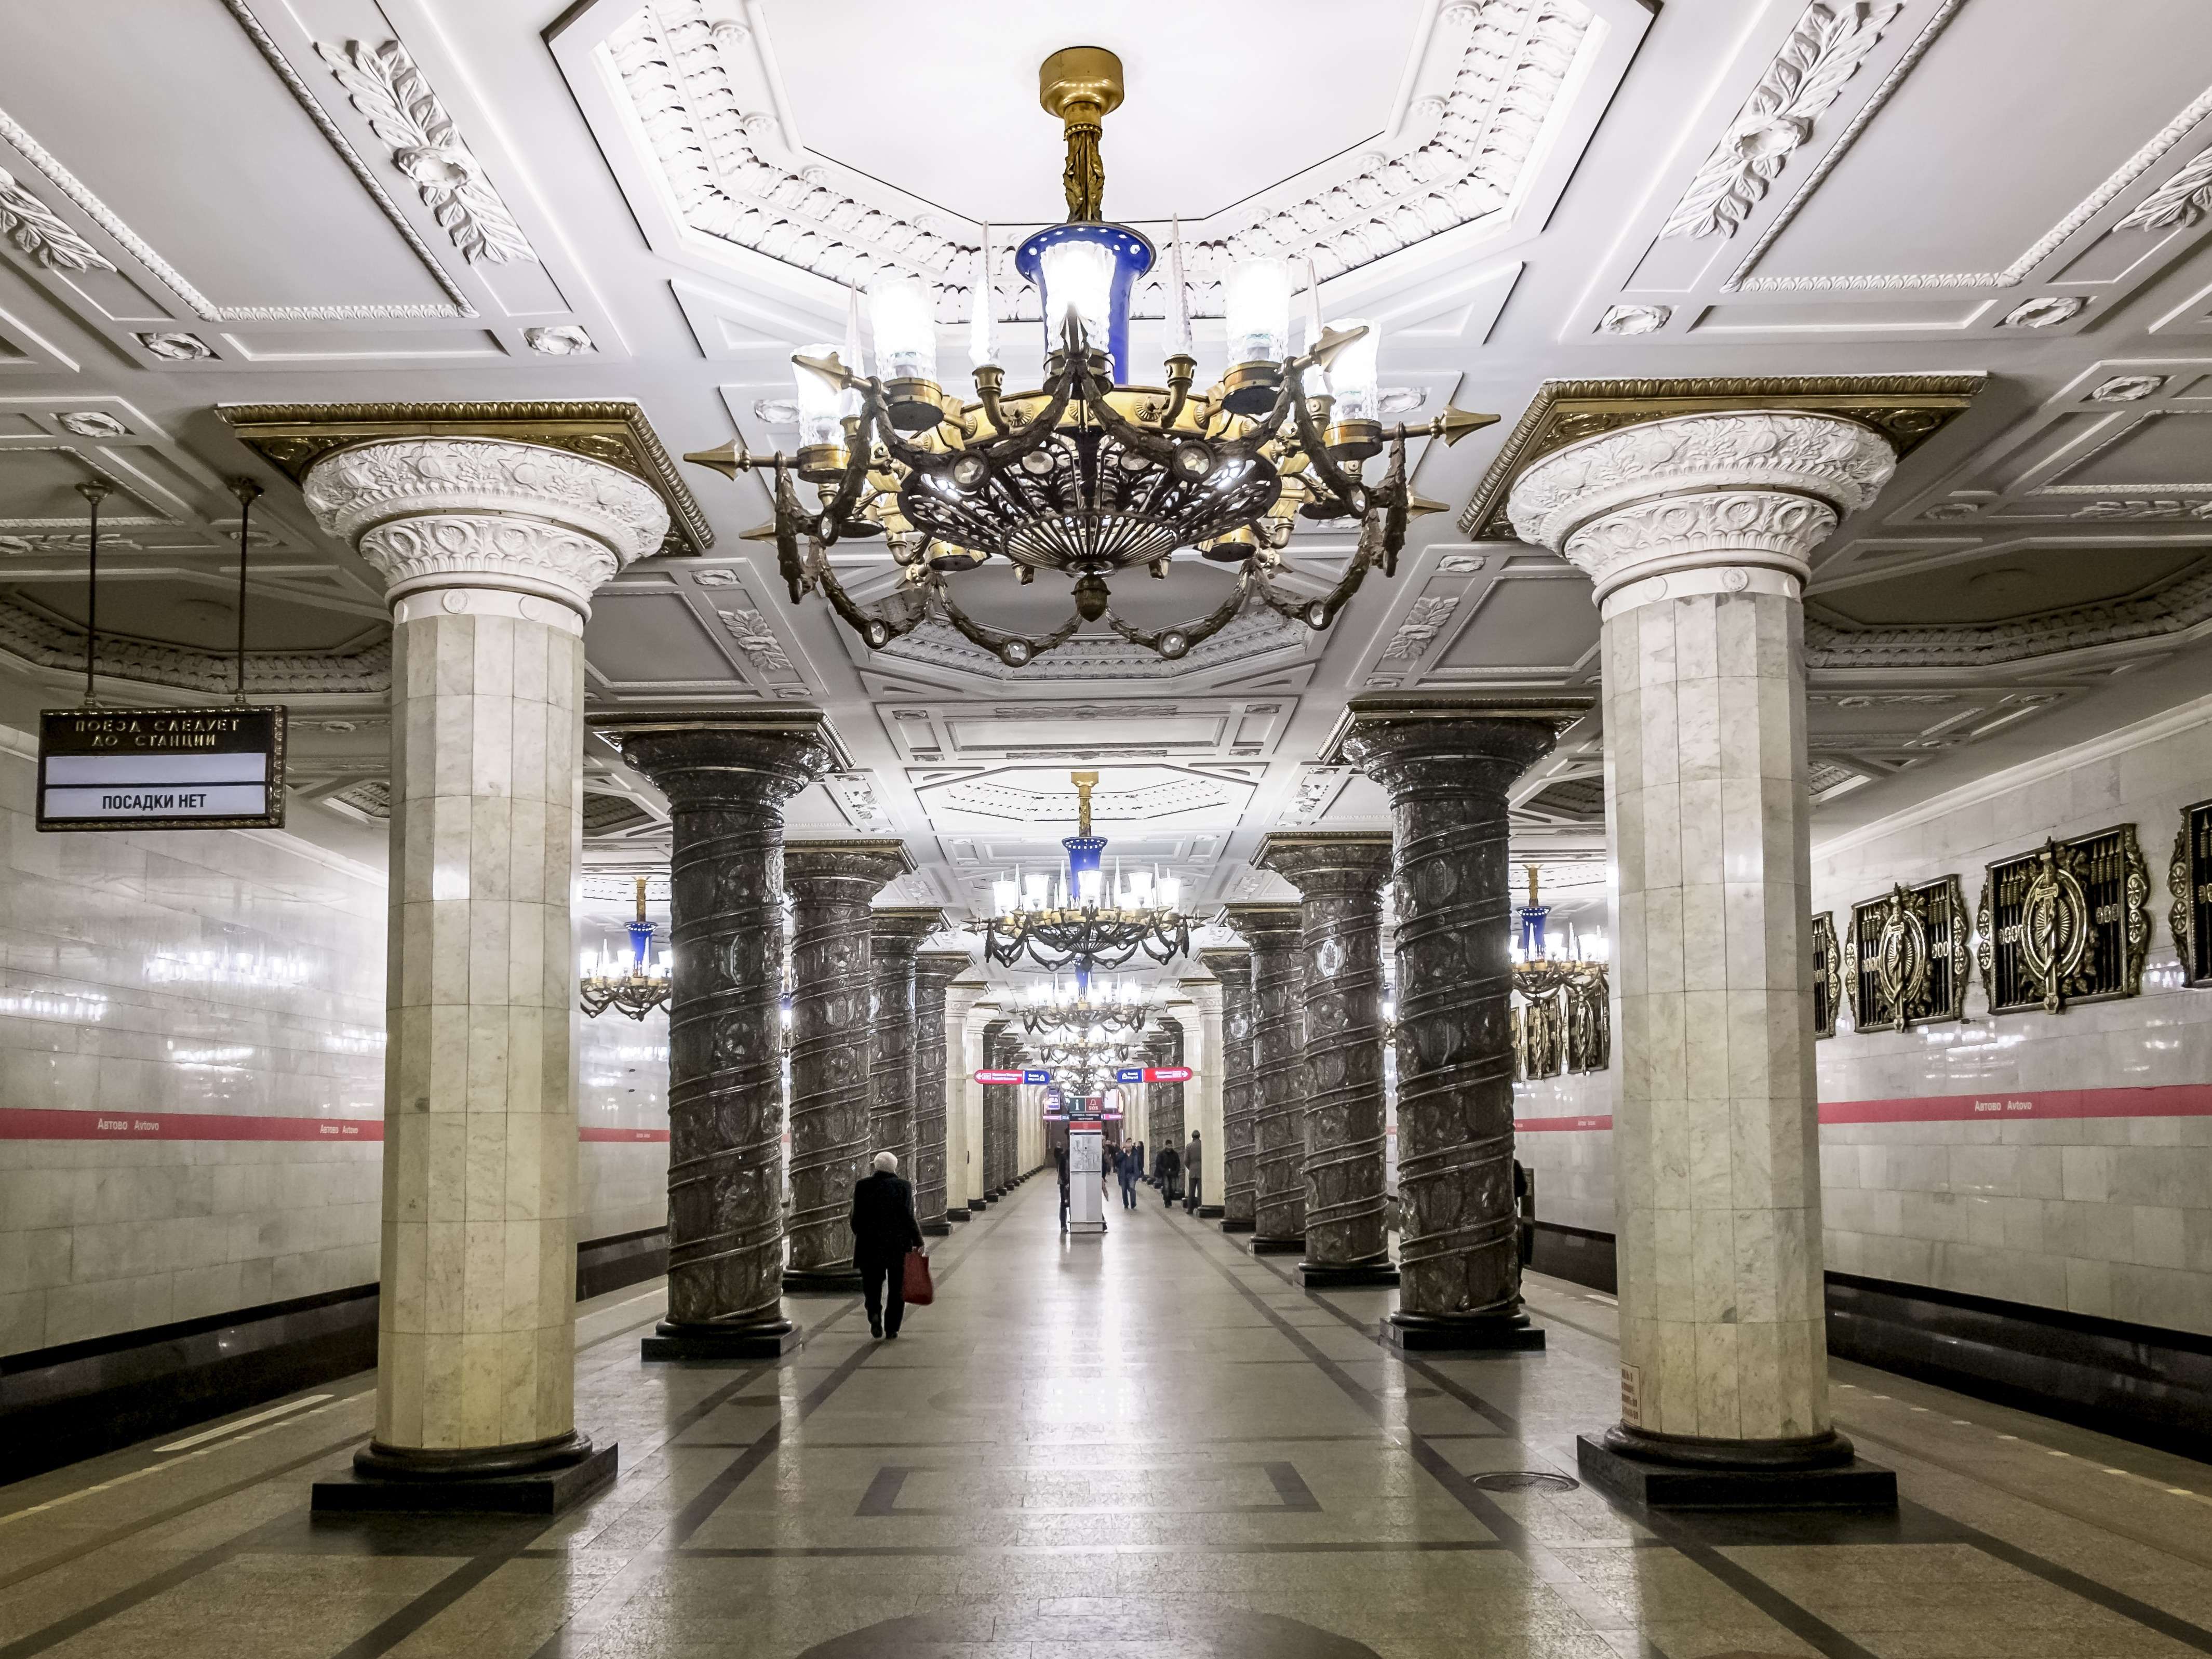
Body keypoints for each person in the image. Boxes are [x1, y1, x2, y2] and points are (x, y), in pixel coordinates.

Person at [850, 1150, 923, 1339]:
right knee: (897, 1287)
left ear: (875, 1166)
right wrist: (918, 1240)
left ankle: (874, 1313)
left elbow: (856, 1218)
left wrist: (862, 1233)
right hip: (897, 1246)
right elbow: (908, 1217)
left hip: (869, 1245)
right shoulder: (903, 1186)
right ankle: (892, 1327)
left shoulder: (862, 1186)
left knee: (872, 1285)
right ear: (895, 1167)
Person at [1156, 1139, 1180, 1208]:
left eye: (1171, 1146)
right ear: (1166, 1146)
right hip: (1165, 1173)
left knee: (1173, 1188)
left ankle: (1169, 1198)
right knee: (1166, 1187)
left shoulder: (1175, 1154)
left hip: (1173, 1173)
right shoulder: (1161, 1153)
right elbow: (1159, 1163)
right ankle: (1167, 1201)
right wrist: (1163, 1170)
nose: (1170, 1147)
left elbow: (1178, 1163)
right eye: (1169, 1146)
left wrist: (1176, 1171)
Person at [1183, 1130, 1202, 1214]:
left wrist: (1190, 1167)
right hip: (1202, 1171)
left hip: (1192, 1171)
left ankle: (1190, 1209)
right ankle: (1200, 1207)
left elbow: (1186, 1160)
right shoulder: (1203, 1145)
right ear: (1199, 1136)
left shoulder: (1189, 1146)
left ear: (1192, 1137)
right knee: (1200, 1191)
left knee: (1191, 1191)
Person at [1117, 1143, 1137, 1210]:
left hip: (1132, 1174)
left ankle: (1133, 1203)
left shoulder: (1134, 1154)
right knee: (1124, 1189)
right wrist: (1123, 1153)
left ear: (1131, 1147)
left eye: (1129, 1147)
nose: (1128, 1148)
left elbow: (1138, 1163)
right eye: (1127, 1147)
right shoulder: (1122, 1154)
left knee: (1132, 1188)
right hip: (1123, 1174)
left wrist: (1139, 1173)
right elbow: (1117, 1160)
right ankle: (1126, 1204)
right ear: (1125, 1148)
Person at [1055, 1143, 1070, 1233]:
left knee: (1067, 1204)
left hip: (1068, 1184)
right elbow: (1062, 1172)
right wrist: (1066, 1184)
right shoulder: (1064, 1158)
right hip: (1064, 1184)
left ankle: (1067, 1224)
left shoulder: (1068, 1157)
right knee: (1064, 1203)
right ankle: (1063, 1225)